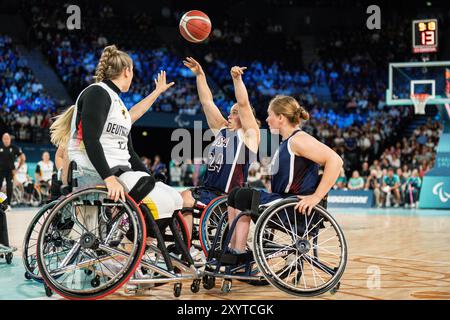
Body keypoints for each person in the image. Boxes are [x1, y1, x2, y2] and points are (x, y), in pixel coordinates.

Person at [55, 45, 181, 254]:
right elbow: (91, 139)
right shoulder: (97, 92)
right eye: (133, 72)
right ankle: (133, 247)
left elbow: (129, 152)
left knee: (174, 198)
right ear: (127, 71)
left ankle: (138, 247)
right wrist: (109, 178)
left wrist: (149, 176)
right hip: (94, 170)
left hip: (118, 169)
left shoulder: (118, 104)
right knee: (162, 201)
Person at [227, 95, 343, 254]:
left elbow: (335, 161)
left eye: (270, 115)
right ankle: (234, 248)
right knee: (235, 194)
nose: (267, 119)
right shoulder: (286, 142)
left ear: (281, 117)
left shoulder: (299, 139)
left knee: (242, 196)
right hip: (282, 201)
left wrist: (316, 197)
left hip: (294, 207)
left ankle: (238, 252)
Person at [180, 57, 260, 258]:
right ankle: (186, 250)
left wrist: (236, 80)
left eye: (235, 113)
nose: (230, 115)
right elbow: (207, 102)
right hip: (209, 190)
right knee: (181, 200)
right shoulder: (222, 130)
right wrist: (200, 75)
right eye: (230, 113)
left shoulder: (249, 135)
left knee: (186, 200)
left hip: (229, 196)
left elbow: (243, 103)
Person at [0, 133, 25, 207]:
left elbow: (23, 158)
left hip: (10, 171)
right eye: (5, 138)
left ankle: (8, 204)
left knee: (9, 187)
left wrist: (17, 169)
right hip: (0, 170)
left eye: (7, 138)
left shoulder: (14, 147)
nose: (6, 140)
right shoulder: (0, 146)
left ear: (10, 139)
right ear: (2, 139)